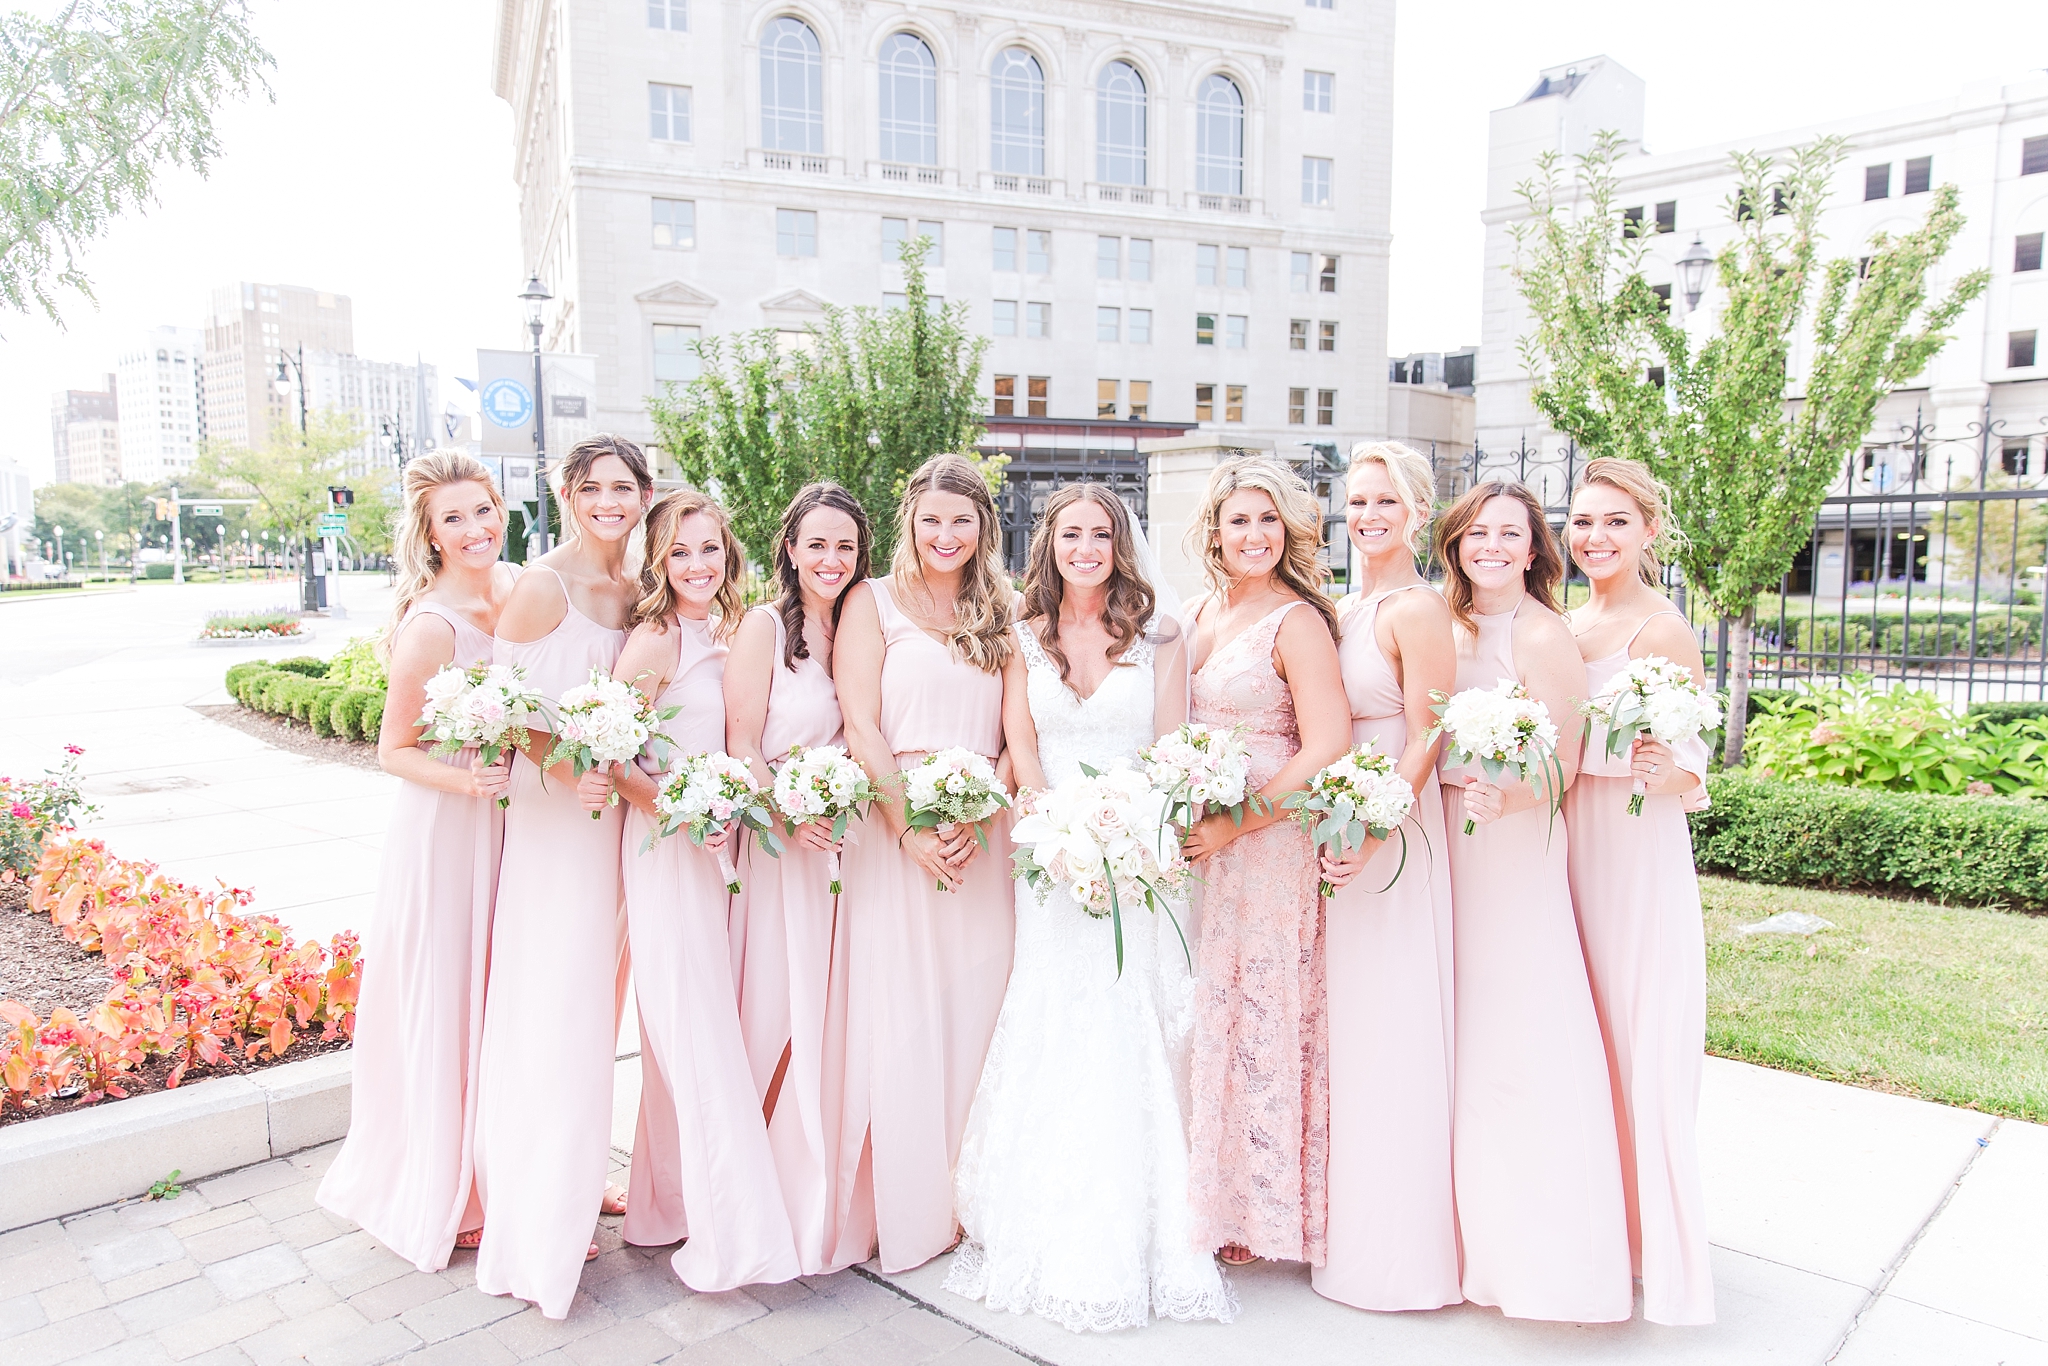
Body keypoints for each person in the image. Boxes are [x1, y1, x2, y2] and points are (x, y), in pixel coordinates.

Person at [945, 484, 1237, 1332]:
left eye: (1101, 535)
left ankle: (1151, 1225)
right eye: (1071, 534)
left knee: (1132, 1018)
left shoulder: (1162, 638)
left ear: (1121, 544)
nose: (1086, 548)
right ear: (1049, 544)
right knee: (1055, 1016)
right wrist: (1054, 828)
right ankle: (1043, 1214)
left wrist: (1129, 831)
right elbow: (1023, 744)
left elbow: (1170, 746)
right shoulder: (1020, 637)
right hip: (1049, 855)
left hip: (1141, 852)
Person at [1434, 479, 1631, 1323]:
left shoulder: (1544, 634)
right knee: (1467, 1043)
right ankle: (1470, 1245)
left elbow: (1569, 762)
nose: (1491, 547)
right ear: (1456, 543)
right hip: (1451, 848)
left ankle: (1549, 1260)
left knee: (1527, 1036)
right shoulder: (1445, 625)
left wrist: (1509, 799)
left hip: (1515, 851)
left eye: (1508, 534)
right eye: (1477, 532)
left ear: (1532, 547)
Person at [317, 452, 519, 1272]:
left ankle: (519, 1170)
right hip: (450, 827)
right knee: (455, 998)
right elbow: (392, 749)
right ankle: (453, 1185)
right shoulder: (433, 623)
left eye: (483, 511)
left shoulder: (517, 588)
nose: (474, 530)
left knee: (510, 1002)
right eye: (454, 520)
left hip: (518, 823)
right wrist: (466, 780)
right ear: (429, 535)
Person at [471, 435, 650, 1319]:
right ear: (570, 496)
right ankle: (540, 1203)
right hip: (556, 821)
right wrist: (573, 756)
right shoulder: (542, 585)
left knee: (599, 1008)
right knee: (554, 1006)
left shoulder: (640, 589)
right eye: (594, 488)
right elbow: (504, 713)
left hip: (620, 822)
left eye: (624, 487)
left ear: (643, 495)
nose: (610, 501)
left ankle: (579, 1173)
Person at [606, 488, 802, 1291]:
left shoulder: (730, 630)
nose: (696, 565)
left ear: (730, 554)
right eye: (680, 552)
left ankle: (665, 1203)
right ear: (658, 560)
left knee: (696, 1029)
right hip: (668, 851)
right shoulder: (652, 640)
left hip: (728, 853)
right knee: (695, 1035)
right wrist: (682, 813)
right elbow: (617, 760)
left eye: (710, 549)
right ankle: (733, 1226)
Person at [835, 452, 1015, 1272]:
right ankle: (903, 1207)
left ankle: (967, 1195)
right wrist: (908, 827)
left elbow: (1020, 731)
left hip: (984, 834)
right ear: (909, 520)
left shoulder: (1004, 609)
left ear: (984, 529)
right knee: (901, 1012)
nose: (946, 536)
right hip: (894, 828)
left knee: (978, 1008)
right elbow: (862, 724)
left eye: (963, 521)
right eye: (932, 519)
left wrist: (982, 807)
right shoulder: (871, 604)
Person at [1180, 455, 1350, 1269]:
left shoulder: (1297, 621)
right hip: (1201, 843)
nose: (1254, 534)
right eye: (1239, 519)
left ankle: (1263, 1214)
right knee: (1210, 1008)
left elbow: (1325, 746)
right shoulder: (1196, 612)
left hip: (1268, 841)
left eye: (1269, 520)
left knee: (1262, 1012)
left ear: (1291, 530)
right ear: (1214, 529)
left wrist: (1236, 823)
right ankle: (1207, 1197)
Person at [1310, 443, 1462, 1312]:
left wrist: (1374, 829)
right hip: (1339, 826)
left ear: (1414, 513)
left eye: (1384, 503)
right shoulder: (1344, 604)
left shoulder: (1416, 611)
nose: (1366, 516)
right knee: (1347, 1033)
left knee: (1390, 1030)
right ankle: (1346, 1228)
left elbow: (1427, 737)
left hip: (1391, 837)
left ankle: (1396, 1257)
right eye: (1356, 502)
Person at [1564, 457, 1716, 1326]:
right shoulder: (1566, 622)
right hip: (1567, 843)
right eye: (1584, 522)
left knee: (1639, 1040)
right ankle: (1599, 1229)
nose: (1596, 538)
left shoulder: (1663, 630)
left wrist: (1669, 772)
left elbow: (1692, 763)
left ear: (1649, 531)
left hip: (1632, 846)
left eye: (1616, 522)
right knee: (1583, 1039)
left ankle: (1656, 1245)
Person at [727, 482, 877, 1275]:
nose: (831, 559)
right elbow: (742, 743)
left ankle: (803, 1179)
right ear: (789, 547)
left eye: (845, 546)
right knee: (770, 1013)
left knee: (820, 1016)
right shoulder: (762, 627)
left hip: (837, 849)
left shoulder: (858, 626)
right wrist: (787, 810)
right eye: (817, 544)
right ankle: (741, 1193)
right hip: (780, 848)